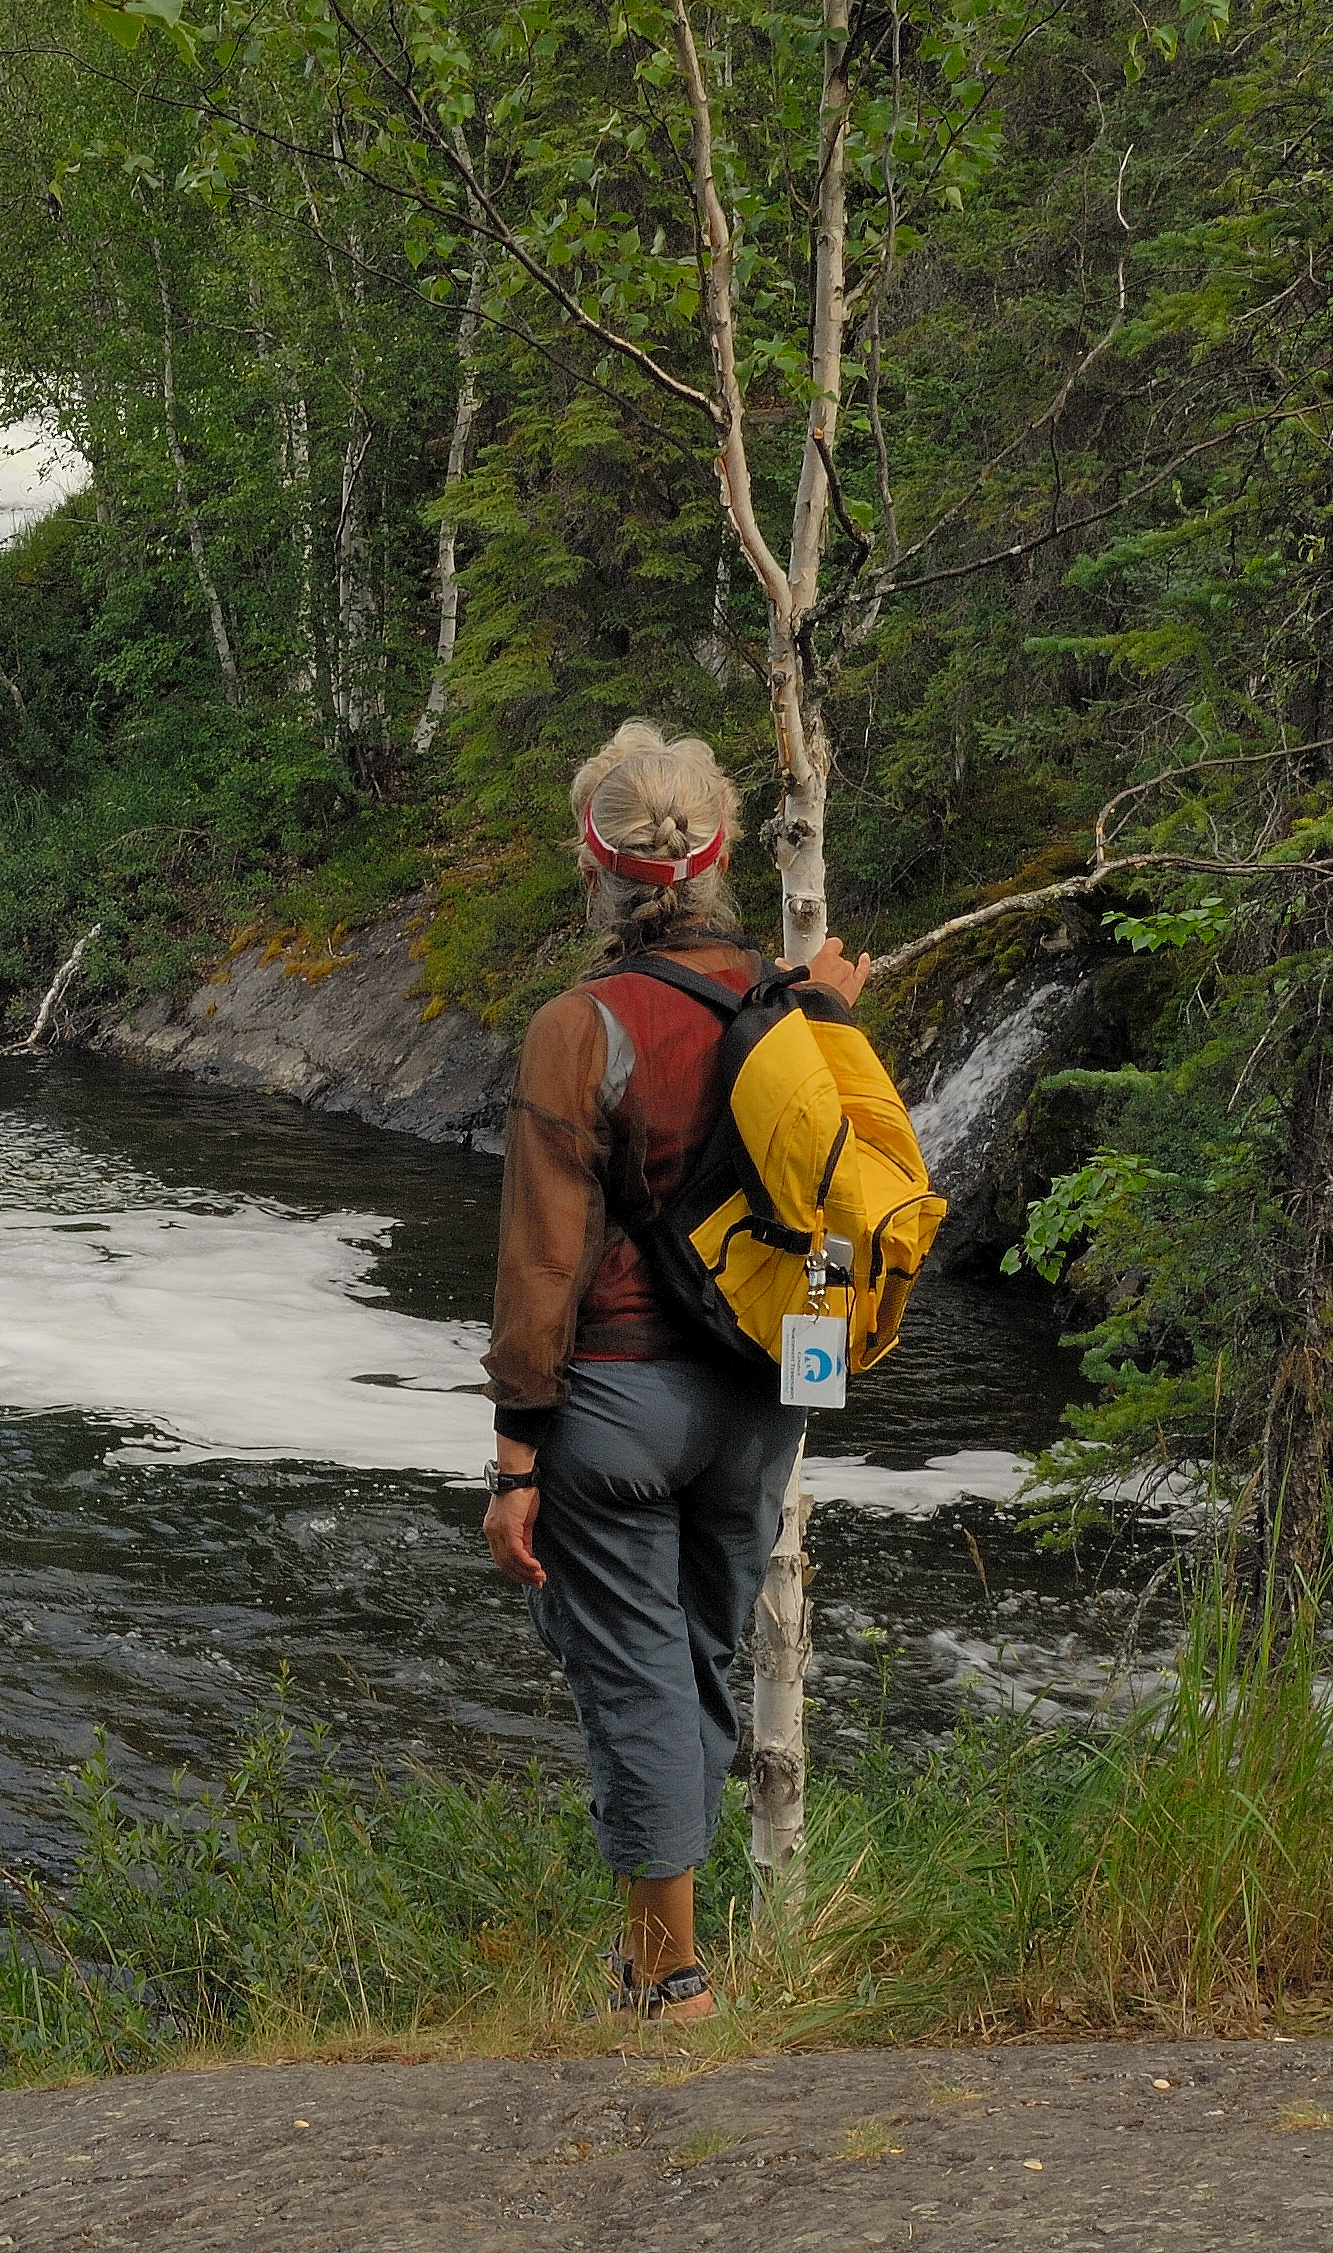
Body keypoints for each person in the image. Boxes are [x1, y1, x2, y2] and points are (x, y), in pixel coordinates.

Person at [481, 719, 866, 2024]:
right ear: (723, 857)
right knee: (703, 1665)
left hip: (621, 1408)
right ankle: (675, 1963)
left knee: (639, 1680)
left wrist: (513, 1460)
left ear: (594, 869)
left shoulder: (578, 1028)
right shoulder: (789, 1000)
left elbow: (542, 1263)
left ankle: (668, 1982)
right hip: (765, 1397)